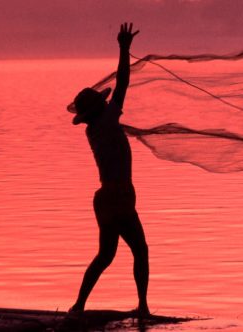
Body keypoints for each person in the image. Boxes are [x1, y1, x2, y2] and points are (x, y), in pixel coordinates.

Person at [69, 23, 149, 316]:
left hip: (109, 198)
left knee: (106, 256)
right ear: (100, 109)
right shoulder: (107, 121)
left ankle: (78, 306)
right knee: (138, 251)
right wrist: (124, 50)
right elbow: (124, 83)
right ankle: (142, 308)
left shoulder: (96, 128)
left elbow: (120, 90)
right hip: (118, 197)